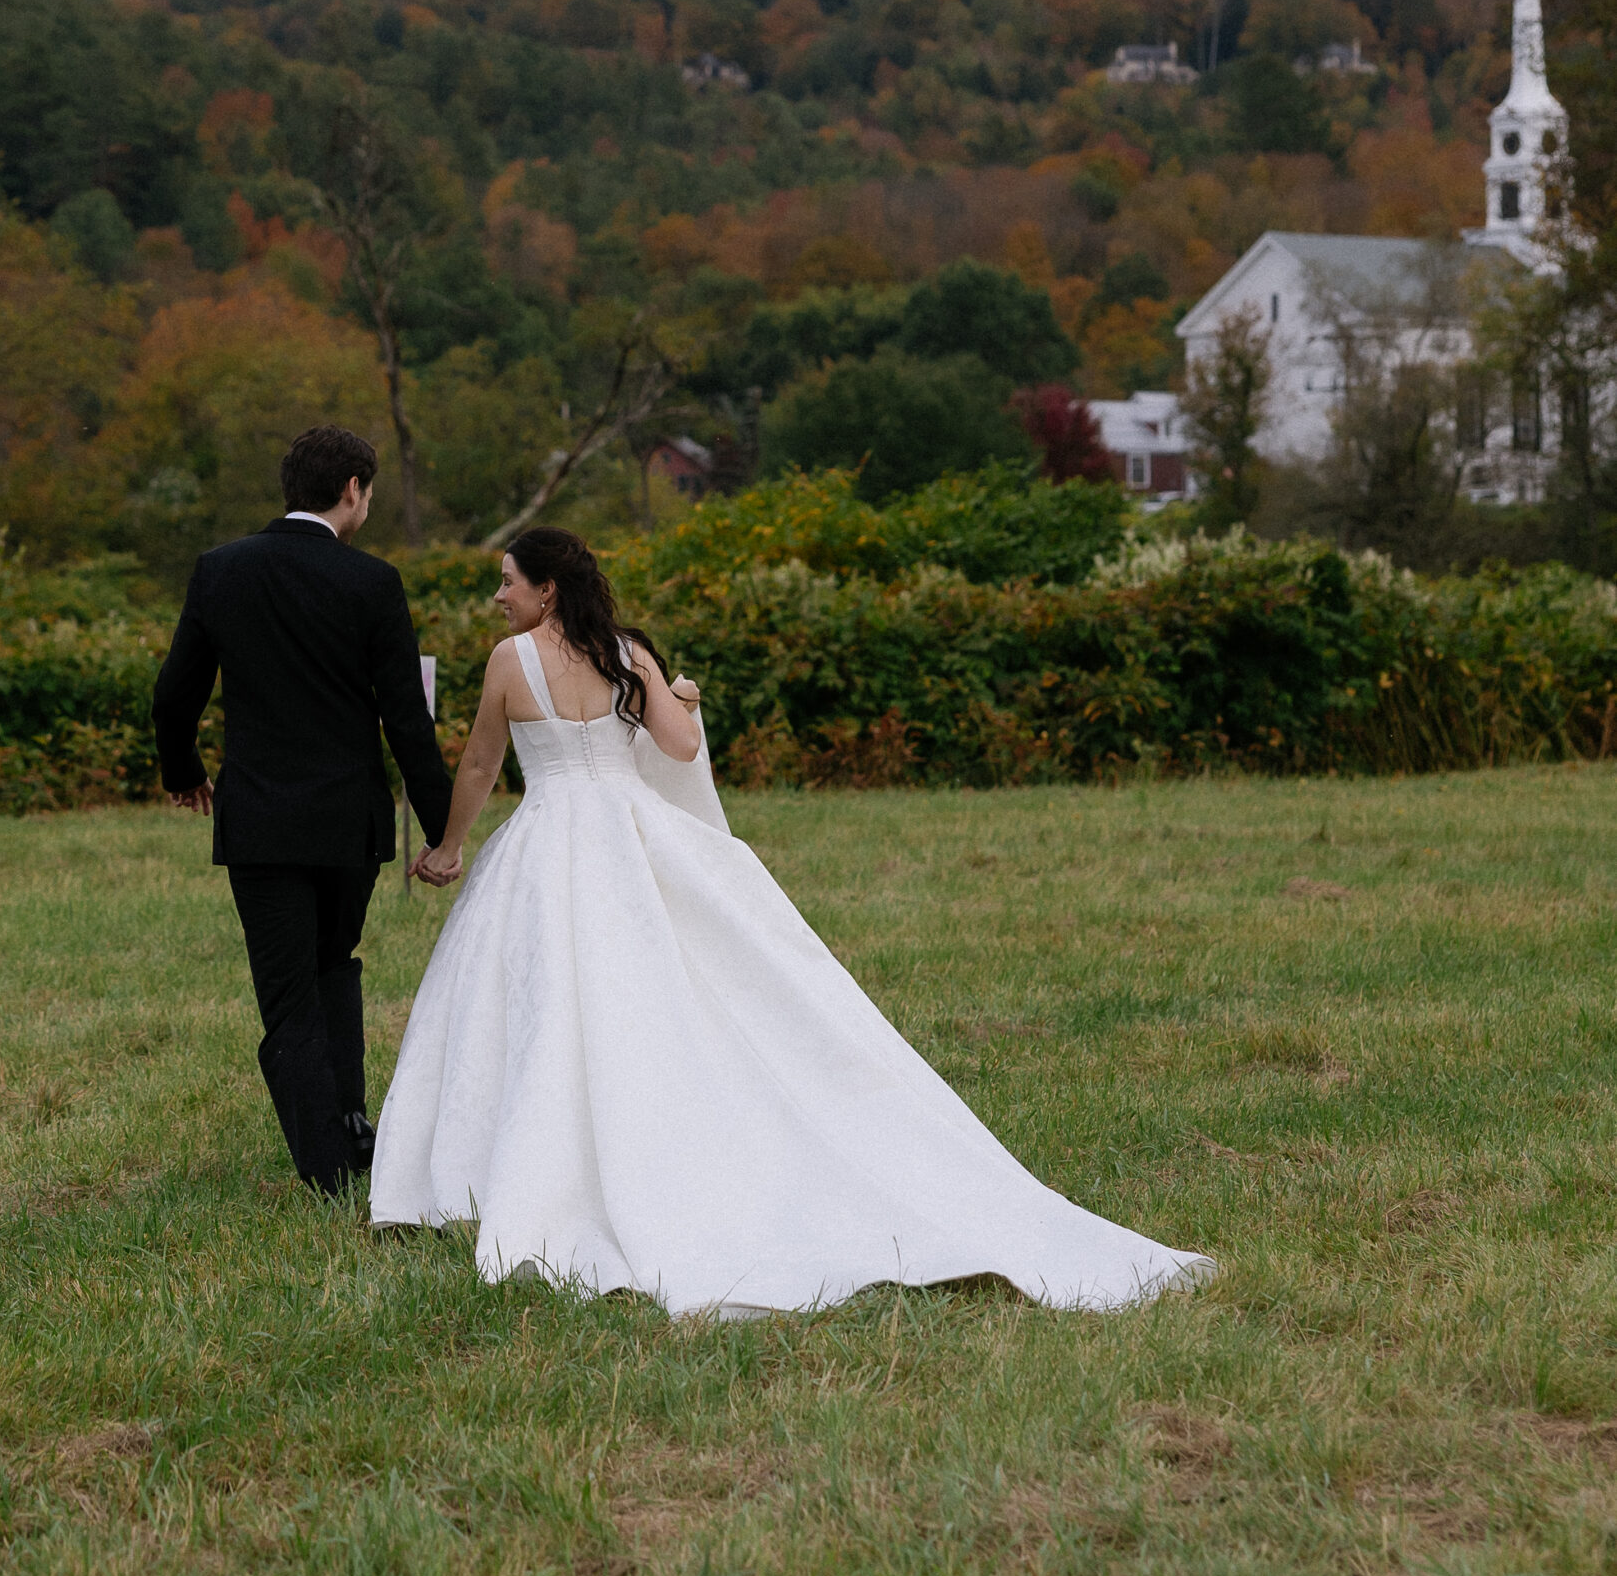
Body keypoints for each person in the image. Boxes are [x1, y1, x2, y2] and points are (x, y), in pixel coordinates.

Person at [370, 524, 1211, 1315]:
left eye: (508, 583)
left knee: (540, 998)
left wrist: (449, 847)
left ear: (546, 591)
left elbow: (481, 759)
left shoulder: (509, 662)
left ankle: (519, 1167)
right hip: (633, 837)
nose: (498, 597)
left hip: (546, 842)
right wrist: (670, 691)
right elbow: (681, 749)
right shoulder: (629, 655)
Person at [151, 424, 452, 1196]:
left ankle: (329, 1161)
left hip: (260, 821)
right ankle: (345, 1135)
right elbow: (406, 723)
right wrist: (444, 827)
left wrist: (181, 771)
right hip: (349, 824)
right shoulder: (373, 583)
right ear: (352, 488)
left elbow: (174, 695)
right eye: (370, 492)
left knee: (289, 993)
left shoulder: (221, 570)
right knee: (333, 968)